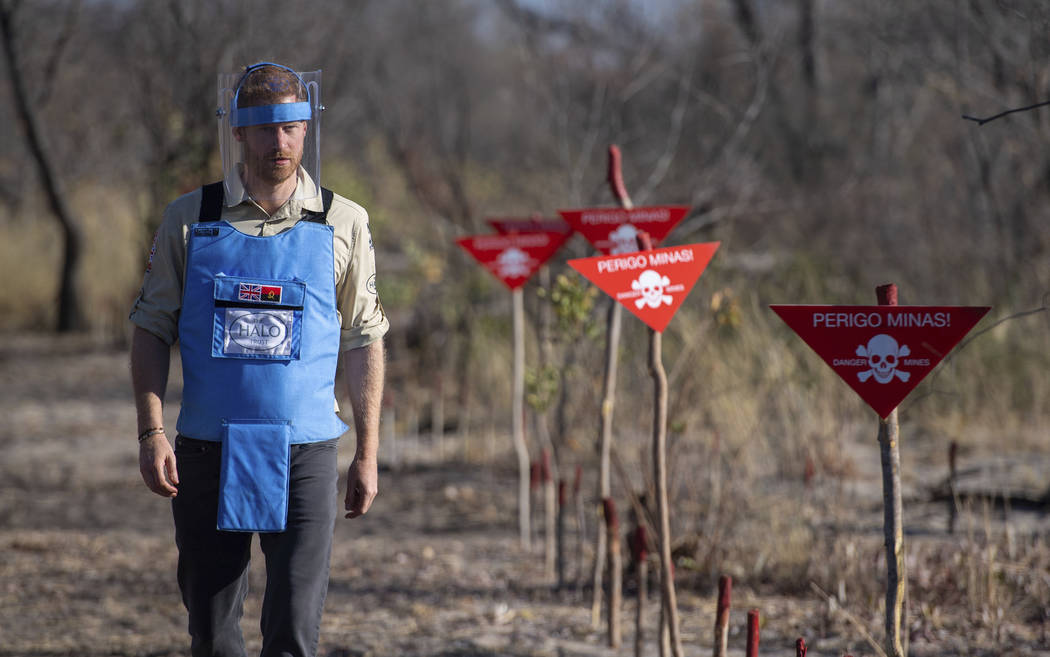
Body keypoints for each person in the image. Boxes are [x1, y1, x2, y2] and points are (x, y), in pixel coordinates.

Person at [129, 62, 388, 657]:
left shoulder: (343, 222)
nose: (280, 142)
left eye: (292, 127)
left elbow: (364, 338)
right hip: (205, 451)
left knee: (295, 630)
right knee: (213, 632)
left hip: (307, 453)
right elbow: (149, 326)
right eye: (266, 128)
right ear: (239, 132)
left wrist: (368, 454)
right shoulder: (191, 219)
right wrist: (151, 432)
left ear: (307, 129)